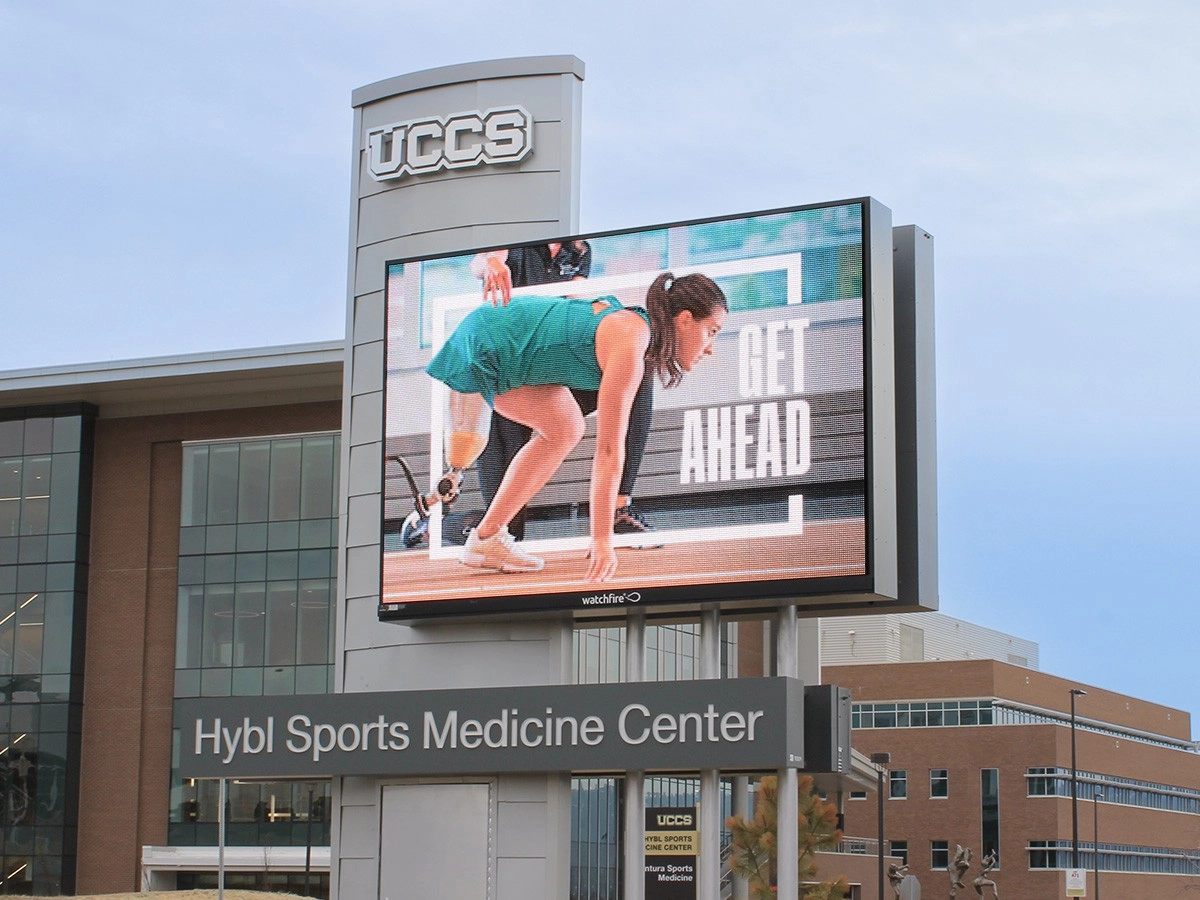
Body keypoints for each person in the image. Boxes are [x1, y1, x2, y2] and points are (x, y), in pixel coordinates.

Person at [426, 271, 727, 582]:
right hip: (491, 340)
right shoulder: (631, 341)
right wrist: (601, 540)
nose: (710, 347)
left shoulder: (635, 335)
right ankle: (484, 536)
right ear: (686, 320)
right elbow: (609, 452)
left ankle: (486, 537)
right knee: (564, 430)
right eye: (712, 331)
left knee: (566, 429)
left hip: (501, 338)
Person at [470, 242, 659, 544]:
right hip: (514, 374)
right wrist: (491, 262)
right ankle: (437, 524)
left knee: (638, 380)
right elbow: (481, 263)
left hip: (555, 366)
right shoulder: (517, 243)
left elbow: (575, 296)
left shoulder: (581, 250)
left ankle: (619, 507)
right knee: (505, 530)